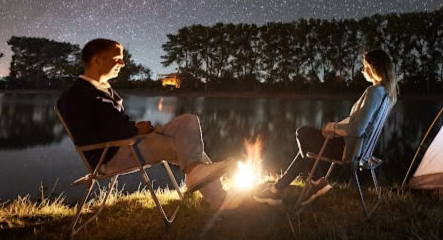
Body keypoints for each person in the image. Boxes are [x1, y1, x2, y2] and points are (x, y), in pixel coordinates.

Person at [57, 38, 233, 209]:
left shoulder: (103, 89)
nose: (123, 64)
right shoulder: (76, 95)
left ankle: (198, 174)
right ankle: (217, 197)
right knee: (187, 146)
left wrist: (136, 129)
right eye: (117, 58)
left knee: (188, 122)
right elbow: (86, 135)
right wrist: (134, 129)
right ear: (96, 60)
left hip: (129, 141)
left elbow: (110, 123)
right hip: (110, 156)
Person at [254, 48, 397, 206]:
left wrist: (334, 129)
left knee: (302, 133)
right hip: (360, 149)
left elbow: (358, 129)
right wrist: (334, 127)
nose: (362, 70)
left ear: (374, 67)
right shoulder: (386, 94)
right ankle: (277, 189)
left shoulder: (374, 92)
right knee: (306, 152)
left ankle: (316, 182)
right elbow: (357, 122)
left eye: (365, 66)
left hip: (348, 150)